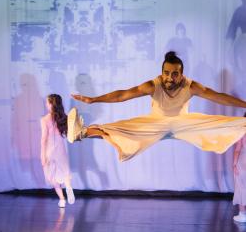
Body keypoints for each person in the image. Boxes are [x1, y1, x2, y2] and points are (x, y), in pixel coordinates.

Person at [67, 51, 246, 162]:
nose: (170, 78)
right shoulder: (154, 85)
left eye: (175, 74)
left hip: (183, 123)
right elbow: (123, 95)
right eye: (166, 73)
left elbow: (219, 97)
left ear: (181, 75)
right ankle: (81, 133)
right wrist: (93, 100)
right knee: (121, 128)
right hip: (155, 123)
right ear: (162, 73)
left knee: (219, 123)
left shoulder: (190, 86)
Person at [41, 94, 74, 208]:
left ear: (51, 104)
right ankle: (68, 186)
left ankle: (62, 199)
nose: (46, 104)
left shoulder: (45, 119)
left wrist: (42, 155)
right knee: (65, 172)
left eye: (47, 102)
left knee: (52, 177)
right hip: (60, 149)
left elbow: (43, 139)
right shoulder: (64, 118)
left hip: (49, 150)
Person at [233, 113, 246, 223]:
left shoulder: (242, 131)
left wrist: (234, 164)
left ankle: (242, 214)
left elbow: (237, 149)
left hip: (243, 161)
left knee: (241, 187)